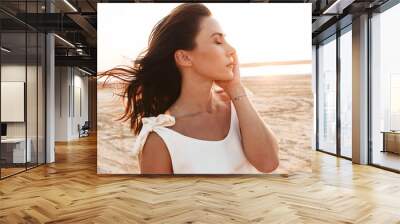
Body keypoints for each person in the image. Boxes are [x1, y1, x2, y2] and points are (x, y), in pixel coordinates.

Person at [100, 3, 279, 174]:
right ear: (185, 58)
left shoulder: (237, 104)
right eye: (218, 41)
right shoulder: (161, 138)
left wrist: (236, 88)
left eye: (226, 40)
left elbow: (268, 163)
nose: (231, 49)